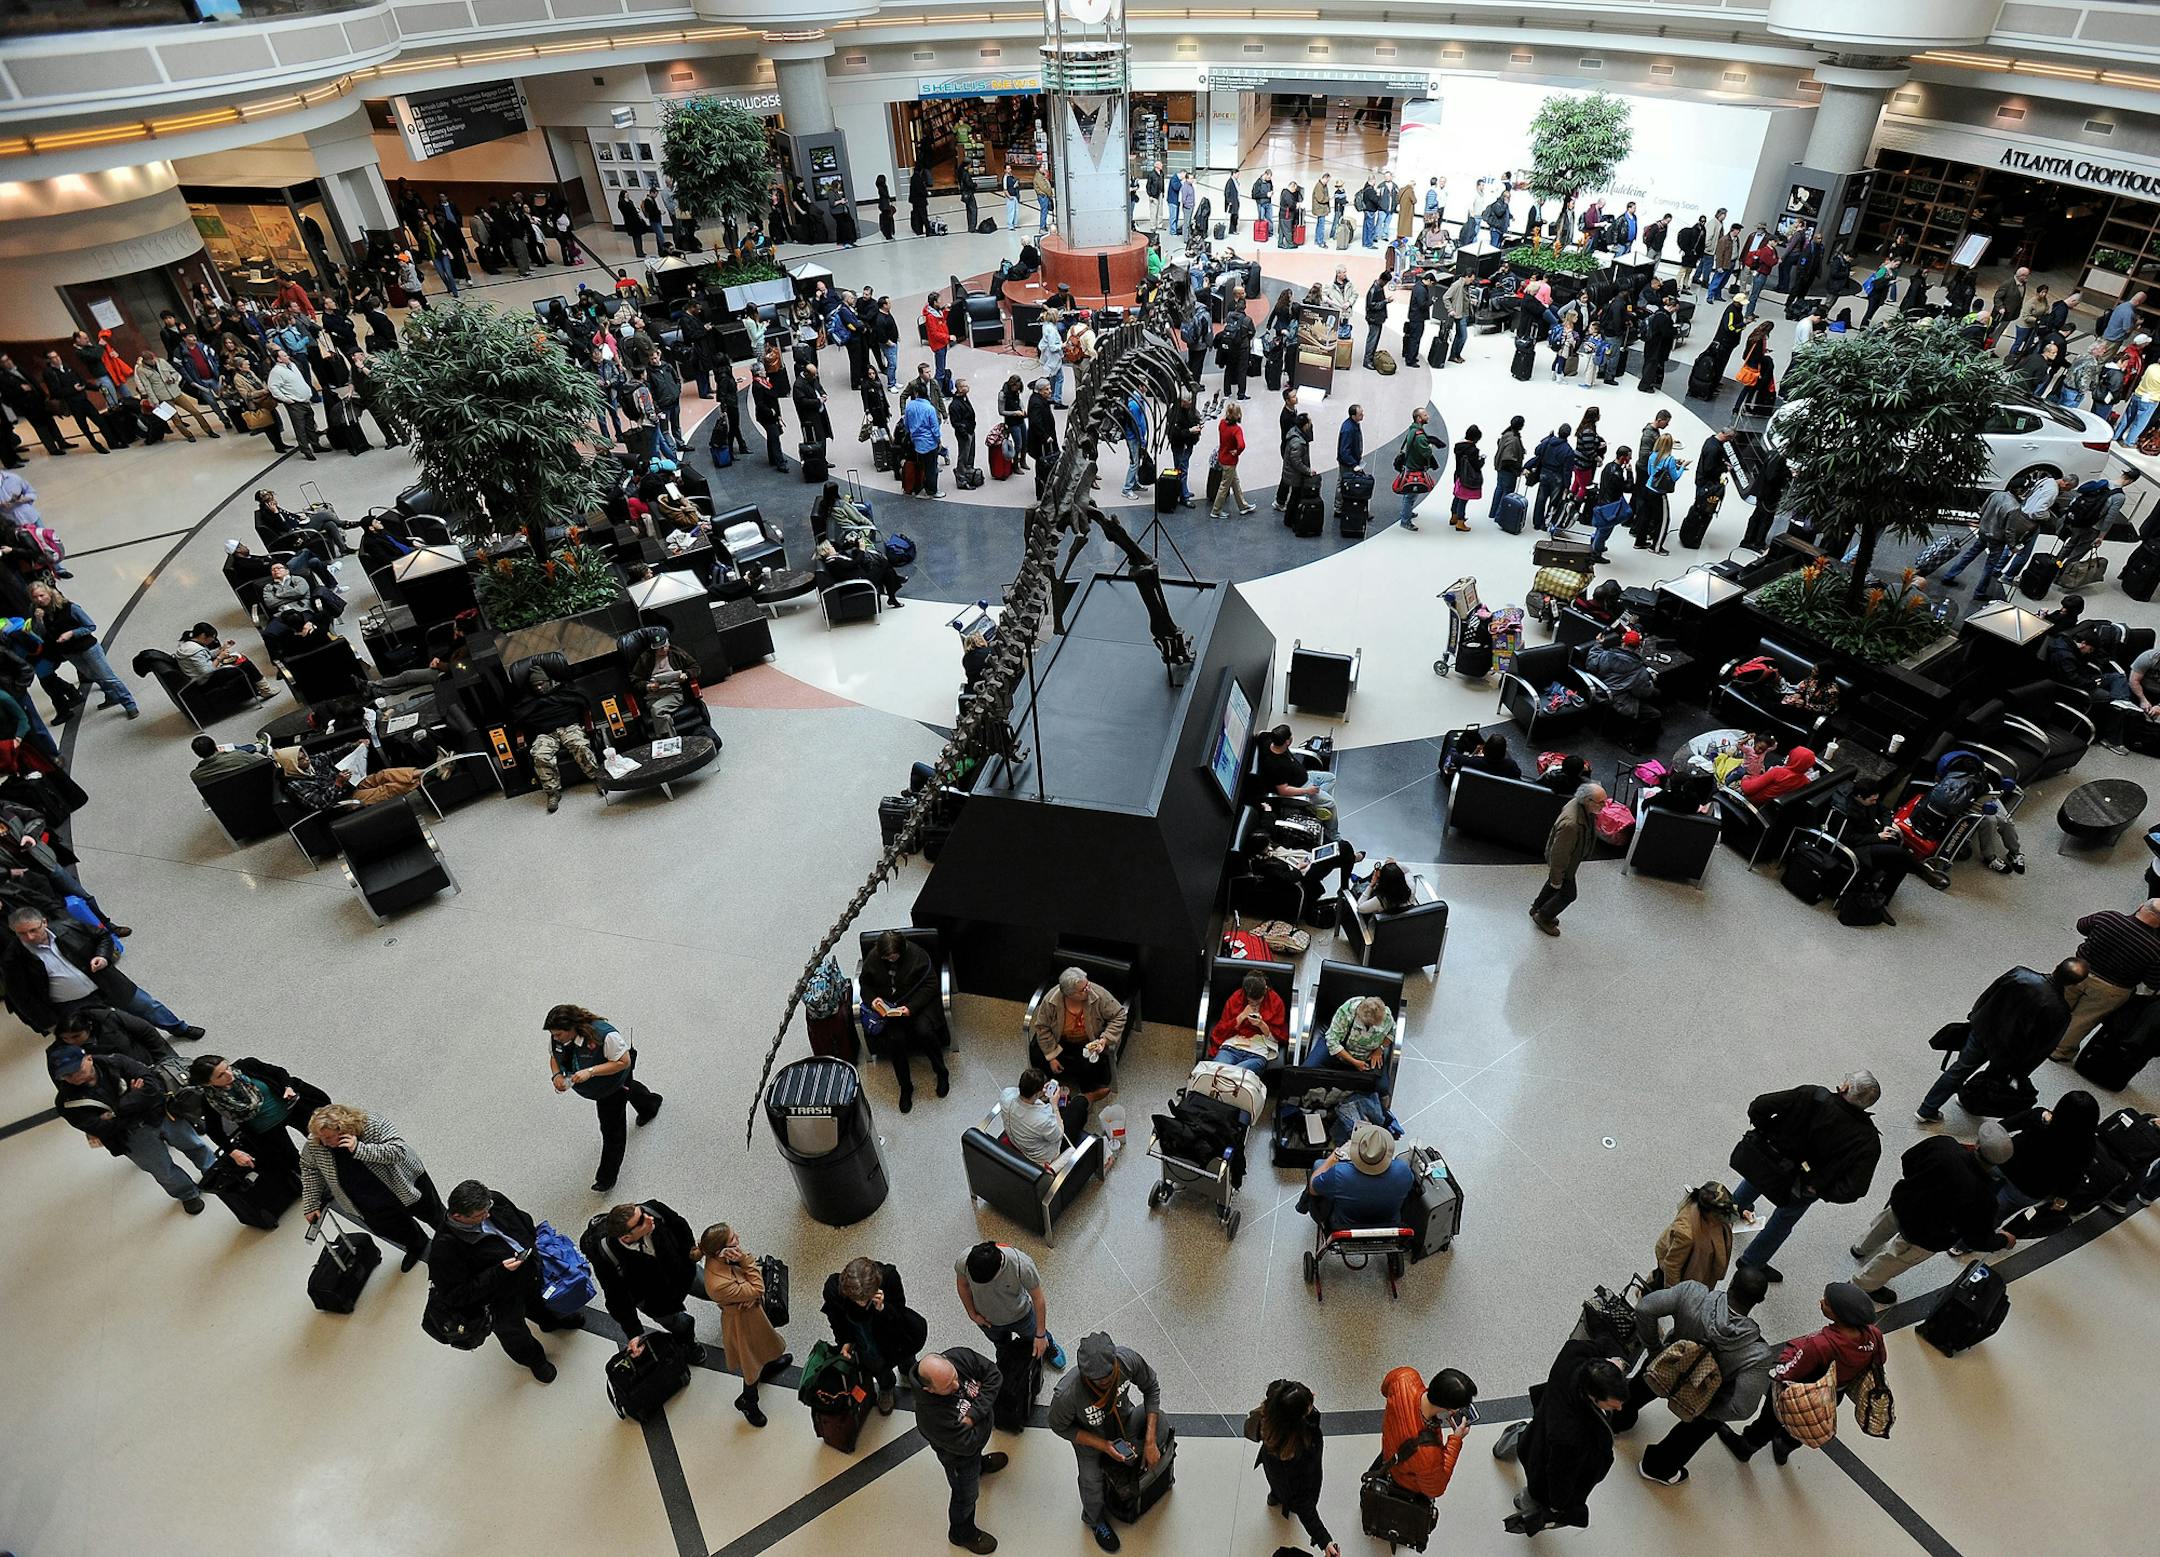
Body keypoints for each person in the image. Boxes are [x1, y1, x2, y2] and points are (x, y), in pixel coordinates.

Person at [1618, 1265, 1775, 1485]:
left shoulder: (1692, 1293)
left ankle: (1617, 1418)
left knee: (1644, 1381)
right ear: (1760, 1300)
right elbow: (1743, 1408)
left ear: (1730, 1285)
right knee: (1701, 1427)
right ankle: (1658, 1467)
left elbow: (1645, 1308)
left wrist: (1655, 1351)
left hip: (1669, 1364)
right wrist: (1706, 1410)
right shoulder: (1757, 1353)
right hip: (1706, 1394)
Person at [1728, 1071, 1883, 1282]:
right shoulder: (1867, 1140)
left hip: (1769, 1160)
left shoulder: (1812, 1095)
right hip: (1802, 1186)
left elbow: (1760, 1105)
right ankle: (1752, 1262)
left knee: (1756, 1181)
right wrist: (1820, 1189)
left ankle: (1729, 1210)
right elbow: (1855, 1188)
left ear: (1845, 1087)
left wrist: (1767, 1133)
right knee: (1783, 1220)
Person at [429, 1179, 584, 1383]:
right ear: (458, 1216)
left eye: (488, 1208)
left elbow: (521, 1220)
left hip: (526, 1272)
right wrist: (499, 1272)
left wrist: (531, 1247)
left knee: (538, 1301)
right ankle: (534, 1360)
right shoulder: (445, 1250)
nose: (488, 1215)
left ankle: (551, 1321)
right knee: (514, 1333)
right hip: (497, 1300)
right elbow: (457, 1294)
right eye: (480, 1216)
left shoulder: (493, 1201)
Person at [1846, 1129, 2018, 1305]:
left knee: (1882, 1226)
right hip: (1926, 1237)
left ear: (1977, 1144)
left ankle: (1860, 1248)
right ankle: (1862, 1285)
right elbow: (1976, 1239)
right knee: (1896, 1258)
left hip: (1903, 1203)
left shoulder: (1944, 1146)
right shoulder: (1985, 1199)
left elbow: (1908, 1159)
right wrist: (2003, 1240)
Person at [1725, 1282, 1883, 1464]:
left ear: (1840, 1316)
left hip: (1796, 1391)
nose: (1821, 1302)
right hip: (1832, 1395)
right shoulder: (1874, 1334)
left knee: (1768, 1421)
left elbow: (1790, 1371)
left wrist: (1779, 1366)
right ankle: (1783, 1446)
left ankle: (1745, 1447)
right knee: (1806, 1420)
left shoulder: (1821, 1344)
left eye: (1827, 1303)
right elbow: (1880, 1361)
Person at [50, 1043, 217, 1213]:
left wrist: (114, 1112)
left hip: (163, 1115)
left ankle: (213, 1171)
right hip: (131, 1136)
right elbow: (100, 1128)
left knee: (194, 1145)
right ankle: (187, 1193)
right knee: (162, 1169)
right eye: (66, 1075)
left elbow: (153, 1087)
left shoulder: (116, 1062)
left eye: (76, 1069)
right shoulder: (67, 1103)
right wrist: (134, 1097)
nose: (74, 1076)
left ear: (89, 1059)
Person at [1490, 1338, 1629, 1533]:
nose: (1620, 1408)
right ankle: (1524, 1501)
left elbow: (1593, 1343)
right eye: (1612, 1405)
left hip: (1542, 1423)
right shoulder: (1572, 1437)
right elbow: (1559, 1476)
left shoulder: (1573, 1356)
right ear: (1593, 1397)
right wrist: (1558, 1505)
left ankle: (1503, 1446)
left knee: (1528, 1438)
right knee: (1538, 1489)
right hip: (1548, 1454)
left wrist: (1614, 1363)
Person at [1918, 959, 2083, 1120]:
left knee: (1958, 1070)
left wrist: (1974, 1017)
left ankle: (1927, 1109)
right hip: (2010, 1053)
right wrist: (2022, 1072)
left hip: (1984, 1031)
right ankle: (1968, 1101)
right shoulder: (2061, 1012)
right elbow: (2042, 1047)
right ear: (2075, 984)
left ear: (2056, 967)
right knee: (1990, 1081)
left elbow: (1989, 994)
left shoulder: (2019, 973)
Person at [4, 905, 201, 1039]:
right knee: (107, 1034)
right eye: (22, 933)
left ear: (44, 923)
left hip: (106, 982)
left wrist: (103, 956)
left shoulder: (68, 926)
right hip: (74, 1004)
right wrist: (50, 1023)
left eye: (33, 930)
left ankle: (179, 1028)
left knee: (148, 1006)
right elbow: (22, 998)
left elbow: (104, 937)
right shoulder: (13, 959)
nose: (29, 937)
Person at [1047, 1331, 1163, 1553]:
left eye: (1108, 1376)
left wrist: (1149, 1441)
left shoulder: (1128, 1360)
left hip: (1124, 1422)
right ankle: (1095, 1520)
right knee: (1091, 1483)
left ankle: (1129, 1471)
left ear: (1115, 1363)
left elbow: (1151, 1387)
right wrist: (1104, 1446)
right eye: (1096, 1379)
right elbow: (1058, 1426)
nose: (1103, 1382)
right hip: (1090, 1440)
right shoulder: (1068, 1394)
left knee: (1161, 1422)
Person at [297, 1101, 445, 1271]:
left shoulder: (372, 1124)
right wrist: (311, 1203)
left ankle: (455, 1242)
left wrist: (359, 1149)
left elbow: (398, 1151)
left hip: (406, 1185)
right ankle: (417, 1245)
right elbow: (309, 1168)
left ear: (343, 1127)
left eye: (329, 1138)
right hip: (368, 1203)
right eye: (320, 1138)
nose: (324, 1142)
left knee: (434, 1215)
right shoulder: (316, 1142)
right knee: (396, 1229)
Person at [544, 1003, 661, 1192]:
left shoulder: (605, 1036)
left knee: (612, 1131)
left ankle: (606, 1178)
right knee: (630, 1088)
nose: (554, 1038)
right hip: (598, 1088)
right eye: (553, 1034)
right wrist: (556, 1075)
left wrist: (591, 1071)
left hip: (610, 1087)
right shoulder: (557, 1040)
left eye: (558, 1034)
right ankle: (650, 1105)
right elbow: (553, 1058)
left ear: (572, 1028)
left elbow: (624, 1062)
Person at [913, 1349, 1011, 1554]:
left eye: (955, 1378)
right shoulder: (931, 1417)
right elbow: (969, 1444)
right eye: (948, 1387)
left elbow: (994, 1374)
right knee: (965, 1495)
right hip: (959, 1459)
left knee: (975, 1459)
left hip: (970, 1448)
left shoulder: (957, 1358)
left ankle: (980, 1467)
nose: (957, 1386)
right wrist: (985, 1407)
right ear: (929, 1389)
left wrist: (974, 1416)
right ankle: (961, 1532)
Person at [698, 1222, 791, 1424]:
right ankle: (748, 1400)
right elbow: (758, 1287)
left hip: (751, 1314)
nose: (738, 1238)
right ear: (721, 1250)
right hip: (741, 1323)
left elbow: (754, 1287)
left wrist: (751, 1290)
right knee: (750, 1362)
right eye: (733, 1238)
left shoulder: (724, 1259)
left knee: (763, 1344)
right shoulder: (717, 1283)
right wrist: (746, 1263)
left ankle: (767, 1363)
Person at [186, 1049, 327, 1180]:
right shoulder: (210, 1100)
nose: (229, 1074)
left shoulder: (247, 1065)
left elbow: (279, 1072)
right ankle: (318, 1183)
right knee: (293, 1160)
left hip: (291, 1109)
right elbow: (214, 1130)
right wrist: (233, 1152)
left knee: (324, 1137)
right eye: (220, 1075)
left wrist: (288, 1087)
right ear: (208, 1083)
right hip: (266, 1131)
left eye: (227, 1067)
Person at [2052, 898, 2160, 1061]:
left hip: (2077, 971)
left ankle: (2038, 1035)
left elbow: (2082, 925)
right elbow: (2151, 982)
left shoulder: (2109, 918)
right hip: (2112, 989)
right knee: (2083, 1020)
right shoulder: (2156, 949)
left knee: (2057, 1002)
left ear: (2140, 906)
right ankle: (2059, 1051)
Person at [581, 1198, 698, 1346]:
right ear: (626, 1237)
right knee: (682, 1325)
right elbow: (616, 1297)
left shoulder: (652, 1210)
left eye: (642, 1212)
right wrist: (634, 1333)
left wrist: (691, 1252)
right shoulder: (607, 1257)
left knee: (711, 1288)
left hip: (683, 1270)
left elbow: (680, 1225)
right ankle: (689, 1343)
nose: (648, 1218)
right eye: (641, 1221)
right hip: (657, 1301)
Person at [822, 1255, 927, 1415]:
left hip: (894, 1331)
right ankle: (886, 1388)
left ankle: (910, 1370)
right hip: (864, 1338)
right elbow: (837, 1321)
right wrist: (845, 1341)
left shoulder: (889, 1277)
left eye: (866, 1298)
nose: (862, 1303)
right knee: (876, 1365)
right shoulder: (833, 1290)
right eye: (857, 1300)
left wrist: (883, 1308)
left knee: (905, 1354)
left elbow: (899, 1310)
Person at [858, 927, 947, 1111]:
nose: (890, 959)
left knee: (924, 1031)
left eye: (893, 956)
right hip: (890, 1008)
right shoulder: (874, 959)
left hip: (917, 1005)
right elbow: (865, 985)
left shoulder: (917, 957)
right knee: (895, 1040)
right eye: (887, 957)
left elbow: (931, 985)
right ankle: (905, 1087)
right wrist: (873, 1000)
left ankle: (941, 1072)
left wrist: (911, 1008)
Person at [1245, 1379, 1338, 1554]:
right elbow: (1304, 1504)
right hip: (1293, 1483)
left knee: (1277, 1486)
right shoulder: (1302, 1450)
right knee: (1291, 1496)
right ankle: (1281, 1500)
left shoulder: (1273, 1418)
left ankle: (1275, 1497)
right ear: (1300, 1418)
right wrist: (1324, 1540)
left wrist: (1300, 1396)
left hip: (1272, 1470)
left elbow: (1278, 1388)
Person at [958, 1238, 1068, 1373]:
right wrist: (972, 1314)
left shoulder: (1022, 1265)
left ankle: (1049, 1345)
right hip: (987, 1320)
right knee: (1001, 1345)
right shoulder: (965, 1261)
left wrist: (1040, 1335)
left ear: (999, 1271)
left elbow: (1038, 1299)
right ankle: (1006, 1357)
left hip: (1021, 1315)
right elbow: (962, 1285)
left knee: (1032, 1333)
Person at [511, 661, 602, 814]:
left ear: (548, 681)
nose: (539, 688)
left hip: (569, 726)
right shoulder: (529, 699)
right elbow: (520, 718)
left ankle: (597, 777)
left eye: (541, 684)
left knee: (579, 745)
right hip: (545, 733)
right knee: (539, 755)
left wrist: (552, 701)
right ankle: (552, 792)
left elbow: (582, 702)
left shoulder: (564, 690)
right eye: (535, 686)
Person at [1027, 965, 1127, 1102]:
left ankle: (1087, 1093)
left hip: (1087, 1041)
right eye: (1083, 989)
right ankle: (1047, 1087)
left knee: (1087, 1066)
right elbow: (1042, 1027)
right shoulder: (1051, 1001)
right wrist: (1052, 1056)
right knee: (1037, 1055)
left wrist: (1105, 1039)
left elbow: (1119, 1015)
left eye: (1087, 984)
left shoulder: (1098, 995)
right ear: (1070, 994)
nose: (1089, 989)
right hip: (1059, 1038)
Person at [1306, 1119, 1415, 1230]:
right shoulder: (1403, 1170)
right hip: (1389, 1225)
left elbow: (1313, 1188)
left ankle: (1306, 1209)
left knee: (1318, 1164)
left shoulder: (1339, 1173)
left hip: (1346, 1227)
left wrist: (1335, 1155)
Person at [1530, 782, 1604, 936]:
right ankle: (1543, 916)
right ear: (1588, 801)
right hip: (1566, 864)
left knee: (1553, 884)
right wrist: (1558, 876)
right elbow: (1560, 854)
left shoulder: (1579, 805)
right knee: (1568, 894)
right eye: (1601, 802)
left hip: (1570, 859)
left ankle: (1537, 906)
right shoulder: (1571, 824)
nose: (1604, 805)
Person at [1650, 1181, 1738, 1291]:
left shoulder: (1715, 1220)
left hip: (1703, 1274)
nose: (1724, 1220)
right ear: (1709, 1213)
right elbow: (1672, 1267)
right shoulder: (1686, 1233)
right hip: (1685, 1282)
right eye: (1721, 1216)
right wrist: (1676, 1297)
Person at [1319, 994, 1394, 1074]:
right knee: (1309, 1069)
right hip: (1341, 1051)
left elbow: (1392, 1032)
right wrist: (1355, 1062)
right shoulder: (1346, 1011)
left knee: (1383, 1086)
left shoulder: (1385, 1014)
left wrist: (1380, 1049)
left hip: (1370, 1055)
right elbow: (1332, 1041)